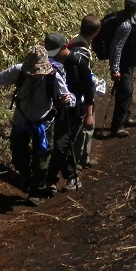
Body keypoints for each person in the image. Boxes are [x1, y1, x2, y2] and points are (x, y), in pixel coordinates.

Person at [0, 44, 74, 205]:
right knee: (18, 157)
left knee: (41, 159)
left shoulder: (53, 76)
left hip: (44, 122)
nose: (36, 74)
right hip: (22, 120)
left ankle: (36, 192)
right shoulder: (19, 71)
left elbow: (68, 96)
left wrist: (67, 99)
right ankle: (29, 178)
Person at [44, 31, 80, 192]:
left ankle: (52, 178)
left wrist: (87, 111)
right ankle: (68, 174)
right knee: (61, 145)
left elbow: (87, 87)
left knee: (61, 145)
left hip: (72, 110)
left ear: (65, 46)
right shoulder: (49, 64)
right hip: (57, 110)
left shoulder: (77, 62)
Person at [66, 15, 101, 168]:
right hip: (81, 94)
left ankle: (78, 158)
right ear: (95, 33)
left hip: (72, 91)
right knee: (85, 127)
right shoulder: (82, 51)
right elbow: (85, 80)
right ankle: (79, 160)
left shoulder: (74, 40)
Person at [109, 0, 136, 138]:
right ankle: (117, 126)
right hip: (122, 65)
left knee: (128, 91)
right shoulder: (126, 24)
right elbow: (116, 48)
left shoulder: (130, 19)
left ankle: (125, 117)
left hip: (128, 62)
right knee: (124, 92)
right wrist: (115, 69)